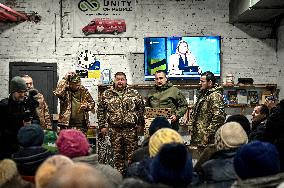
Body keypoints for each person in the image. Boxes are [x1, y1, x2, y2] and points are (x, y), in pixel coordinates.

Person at [97, 72, 145, 175]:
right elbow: (100, 110)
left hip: (131, 129)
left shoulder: (134, 93)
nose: (120, 81)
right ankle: (119, 178)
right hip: (114, 130)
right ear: (114, 80)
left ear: (126, 81)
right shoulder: (106, 94)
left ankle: (132, 176)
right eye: (118, 79)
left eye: (122, 79)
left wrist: (141, 124)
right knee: (117, 156)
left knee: (132, 155)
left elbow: (141, 109)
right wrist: (102, 126)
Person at [0, 76, 39, 159]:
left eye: (24, 92)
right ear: (13, 91)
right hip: (7, 146)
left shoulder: (27, 104)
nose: (22, 94)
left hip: (25, 146)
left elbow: (37, 120)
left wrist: (31, 123)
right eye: (19, 92)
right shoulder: (4, 105)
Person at [188, 71, 226, 148]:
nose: (200, 83)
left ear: (210, 82)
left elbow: (218, 117)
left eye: (202, 81)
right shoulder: (203, 94)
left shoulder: (215, 96)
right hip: (198, 135)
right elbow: (196, 112)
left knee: (207, 158)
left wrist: (208, 134)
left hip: (207, 138)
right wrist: (191, 126)